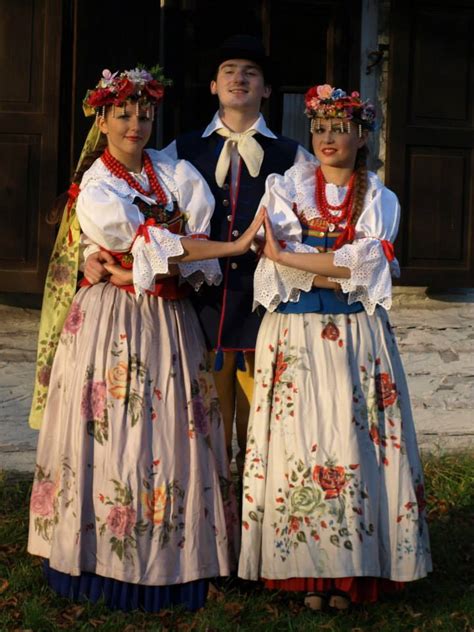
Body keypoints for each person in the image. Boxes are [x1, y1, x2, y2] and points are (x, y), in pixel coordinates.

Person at [27, 65, 263, 613]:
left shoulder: (170, 169)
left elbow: (180, 240)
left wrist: (165, 254)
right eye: (123, 113)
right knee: (116, 433)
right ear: (102, 119)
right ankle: (104, 563)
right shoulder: (98, 183)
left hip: (167, 319)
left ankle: (174, 561)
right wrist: (224, 250)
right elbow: (154, 245)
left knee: (172, 435)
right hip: (115, 321)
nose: (136, 124)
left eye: (144, 112)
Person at [238, 84, 432, 609]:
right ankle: (301, 574)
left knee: (354, 446)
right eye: (320, 128)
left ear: (360, 134)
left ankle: (353, 572)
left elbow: (364, 267)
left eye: (339, 128)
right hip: (296, 334)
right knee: (301, 445)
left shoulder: (380, 198)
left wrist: (303, 262)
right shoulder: (286, 188)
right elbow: (285, 262)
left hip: (356, 338)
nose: (327, 138)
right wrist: (335, 270)